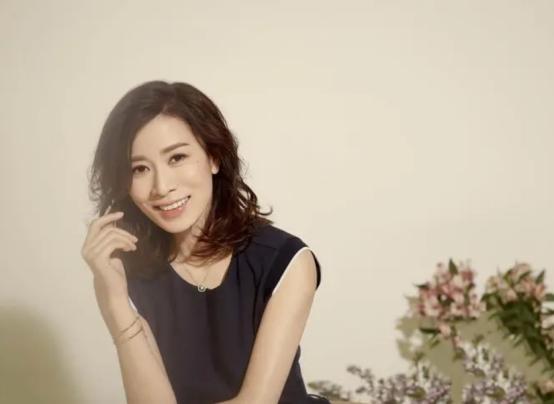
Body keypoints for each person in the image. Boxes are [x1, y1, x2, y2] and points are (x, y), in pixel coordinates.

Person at [81, 81, 330, 404]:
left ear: (213, 157)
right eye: (139, 168)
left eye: (177, 158)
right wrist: (115, 303)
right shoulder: (124, 276)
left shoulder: (286, 261)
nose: (162, 187)